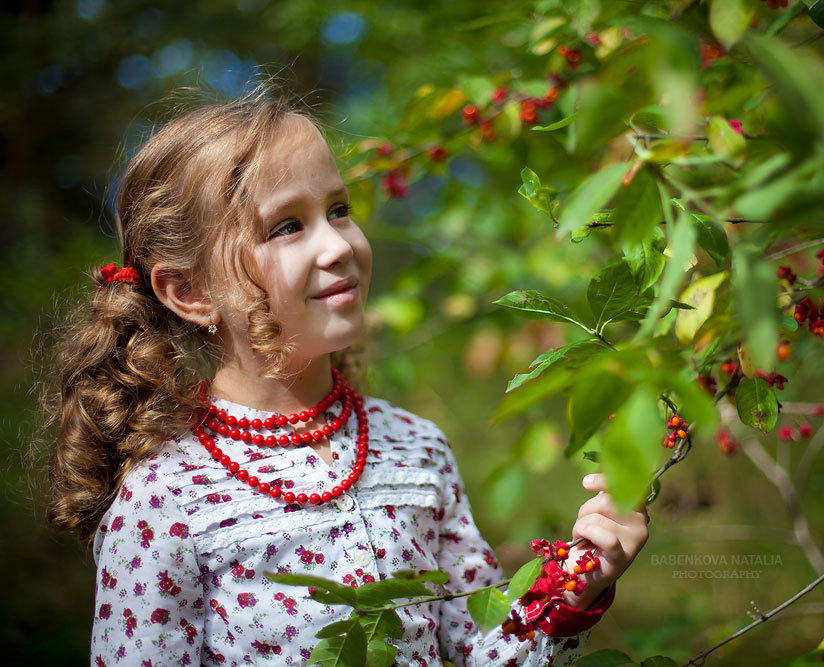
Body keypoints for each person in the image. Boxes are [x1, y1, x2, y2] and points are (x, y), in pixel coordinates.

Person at [45, 86, 650, 666]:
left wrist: (577, 585)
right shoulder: (165, 498)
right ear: (191, 291)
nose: (337, 245)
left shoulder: (416, 447)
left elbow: (480, 649)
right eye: (287, 226)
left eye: (339, 210)